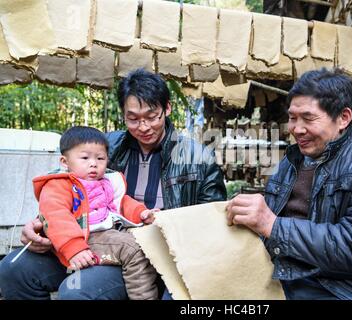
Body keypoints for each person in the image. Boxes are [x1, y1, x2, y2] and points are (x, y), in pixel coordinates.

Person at [0, 69, 227, 300]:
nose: (144, 127)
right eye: (133, 118)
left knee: (76, 291)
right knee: (12, 270)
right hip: (92, 237)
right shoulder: (104, 146)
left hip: (157, 253)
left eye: (152, 116)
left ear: (167, 108)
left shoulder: (198, 158)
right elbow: (65, 191)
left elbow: (212, 221)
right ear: (123, 114)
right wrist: (39, 225)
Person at [226, 68, 352, 300]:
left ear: (343, 118)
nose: (296, 129)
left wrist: (272, 225)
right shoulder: (293, 160)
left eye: (308, 118)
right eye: (292, 117)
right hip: (297, 270)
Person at [32, 126, 159, 300]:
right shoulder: (58, 185)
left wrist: (142, 213)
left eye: (100, 158)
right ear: (64, 161)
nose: (94, 163)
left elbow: (122, 202)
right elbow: (56, 216)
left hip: (108, 235)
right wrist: (74, 248)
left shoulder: (108, 181)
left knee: (139, 244)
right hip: (82, 238)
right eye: (85, 158)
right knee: (133, 249)